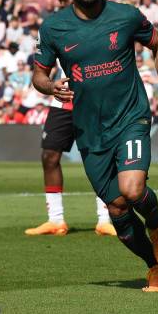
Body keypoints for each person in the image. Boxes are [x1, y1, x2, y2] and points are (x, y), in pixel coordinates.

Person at [32, 0, 158, 292]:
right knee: (116, 208)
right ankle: (154, 266)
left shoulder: (126, 16)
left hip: (131, 116)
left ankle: (157, 227)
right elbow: (38, 76)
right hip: (89, 129)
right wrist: (51, 86)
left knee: (132, 188)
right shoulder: (54, 28)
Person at [25, 65, 117, 237]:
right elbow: (42, 69)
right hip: (62, 100)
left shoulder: (97, 37)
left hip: (95, 102)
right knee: (49, 156)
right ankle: (56, 220)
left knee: (101, 158)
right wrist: (51, 85)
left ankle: (104, 220)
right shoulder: (56, 36)